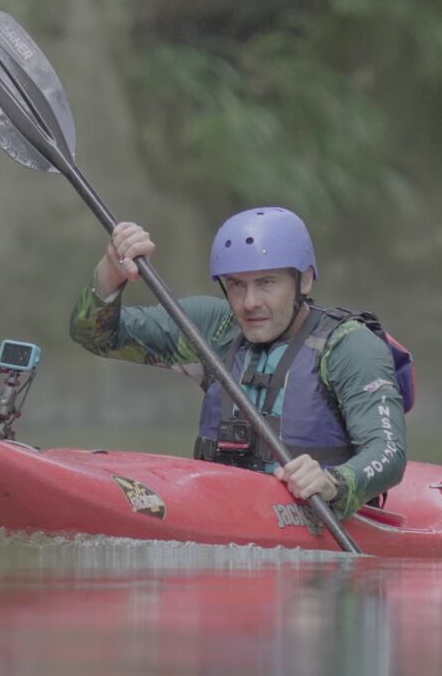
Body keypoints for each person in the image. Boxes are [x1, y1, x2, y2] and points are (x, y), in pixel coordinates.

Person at [68, 207, 407, 518]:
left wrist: (335, 482)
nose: (250, 302)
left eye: (266, 283)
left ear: (303, 280)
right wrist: (111, 271)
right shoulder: (213, 330)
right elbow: (96, 336)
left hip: (315, 517)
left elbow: (388, 452)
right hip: (221, 510)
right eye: (236, 286)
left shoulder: (349, 346)